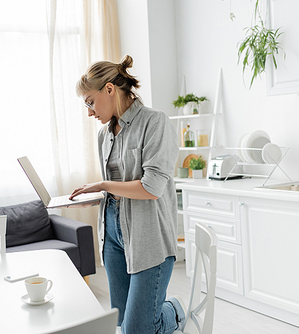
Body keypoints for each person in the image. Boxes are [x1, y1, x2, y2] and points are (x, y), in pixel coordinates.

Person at [69, 55, 185, 334]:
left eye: (90, 102)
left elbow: (151, 187)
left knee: (136, 329)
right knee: (120, 324)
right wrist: (93, 194)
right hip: (112, 233)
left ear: (109, 89)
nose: (89, 112)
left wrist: (103, 185)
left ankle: (174, 311)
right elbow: (117, 188)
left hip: (149, 236)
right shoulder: (104, 135)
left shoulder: (155, 122)